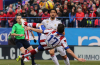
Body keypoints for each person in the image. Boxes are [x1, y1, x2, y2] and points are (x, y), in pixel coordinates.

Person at [16, 24, 86, 63]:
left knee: (41, 25)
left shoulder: (52, 31)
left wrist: (31, 28)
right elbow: (69, 51)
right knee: (37, 50)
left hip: (42, 40)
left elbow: (40, 31)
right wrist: (77, 58)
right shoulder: (63, 39)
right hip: (46, 47)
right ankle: (23, 56)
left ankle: (23, 56)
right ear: (63, 31)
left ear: (57, 29)